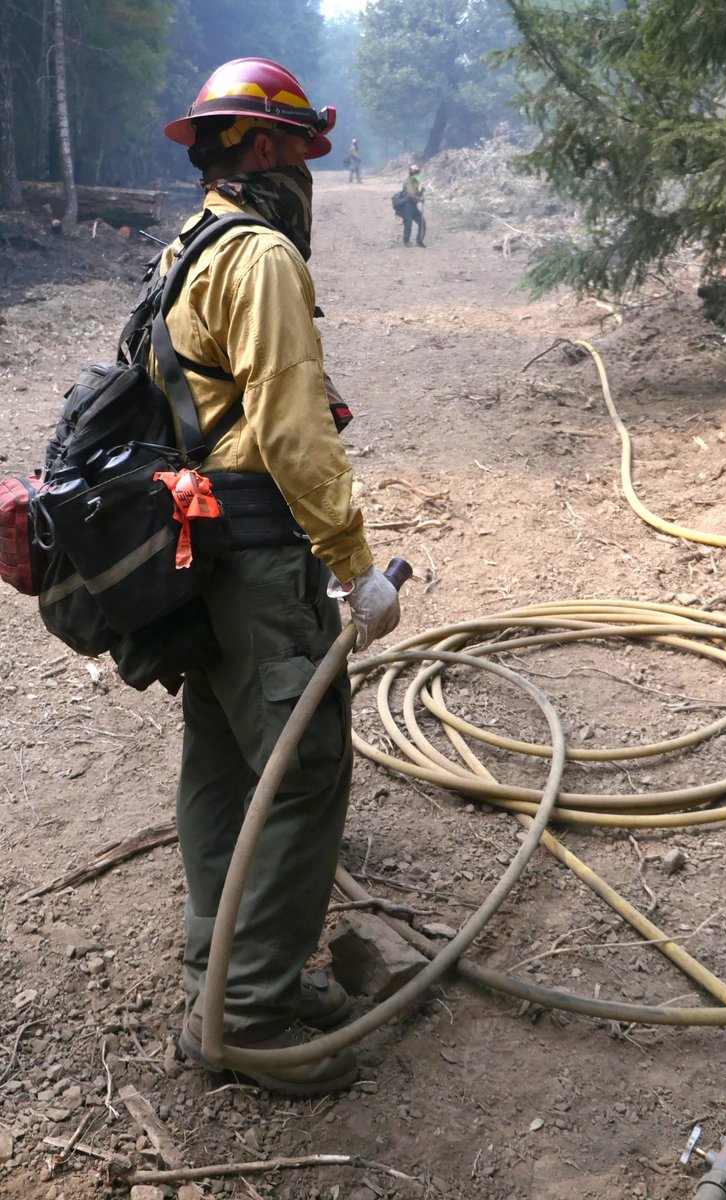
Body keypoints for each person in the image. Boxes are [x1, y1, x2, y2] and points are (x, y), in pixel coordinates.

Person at [160, 57, 401, 1096]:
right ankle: (250, 1014)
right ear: (263, 149)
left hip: (202, 556)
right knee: (302, 775)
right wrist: (355, 566)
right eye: (300, 150)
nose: (307, 171)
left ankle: (223, 953)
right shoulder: (256, 256)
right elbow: (294, 433)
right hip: (260, 559)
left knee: (222, 753)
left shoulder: (189, 243)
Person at [402, 162, 426, 247]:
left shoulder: (415, 182)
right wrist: (420, 199)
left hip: (413, 206)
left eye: (418, 172)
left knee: (422, 222)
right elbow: (410, 195)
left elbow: (416, 194)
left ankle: (419, 240)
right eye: (416, 172)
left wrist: (421, 192)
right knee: (408, 224)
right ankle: (406, 241)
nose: (418, 174)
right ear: (412, 173)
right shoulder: (408, 181)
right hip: (407, 206)